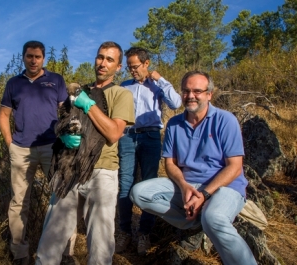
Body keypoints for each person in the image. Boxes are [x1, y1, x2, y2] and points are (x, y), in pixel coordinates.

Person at [130, 71, 257, 265]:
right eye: (186, 91)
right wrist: (183, 185)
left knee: (214, 217)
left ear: (209, 94)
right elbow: (170, 163)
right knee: (139, 193)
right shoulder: (174, 124)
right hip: (189, 186)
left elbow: (234, 166)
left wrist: (204, 194)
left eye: (197, 91)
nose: (191, 96)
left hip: (225, 187)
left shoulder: (225, 120)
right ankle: (196, 221)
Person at [35, 41, 135, 265]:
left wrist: (88, 105)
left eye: (110, 60)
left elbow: (113, 133)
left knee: (100, 244)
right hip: (70, 168)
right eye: (100, 57)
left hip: (102, 172)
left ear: (118, 67)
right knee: (51, 239)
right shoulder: (79, 92)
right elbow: (62, 123)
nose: (103, 63)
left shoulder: (121, 94)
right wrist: (62, 136)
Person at [0, 40, 77, 265]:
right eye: (29, 56)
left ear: (43, 59)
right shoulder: (14, 83)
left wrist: (67, 137)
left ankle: (65, 253)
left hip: (52, 147)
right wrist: (9, 143)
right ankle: (20, 254)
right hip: (22, 149)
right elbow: (3, 114)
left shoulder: (56, 80)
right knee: (19, 202)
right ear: (23, 57)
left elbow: (66, 112)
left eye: (37, 57)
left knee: (64, 197)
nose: (33, 60)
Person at [116, 47, 182, 255]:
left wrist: (160, 79)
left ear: (146, 63)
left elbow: (176, 103)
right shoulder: (124, 86)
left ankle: (144, 233)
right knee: (125, 182)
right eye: (129, 67)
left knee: (149, 183)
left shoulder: (157, 86)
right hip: (127, 136)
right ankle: (124, 231)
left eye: (135, 66)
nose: (132, 71)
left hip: (151, 137)